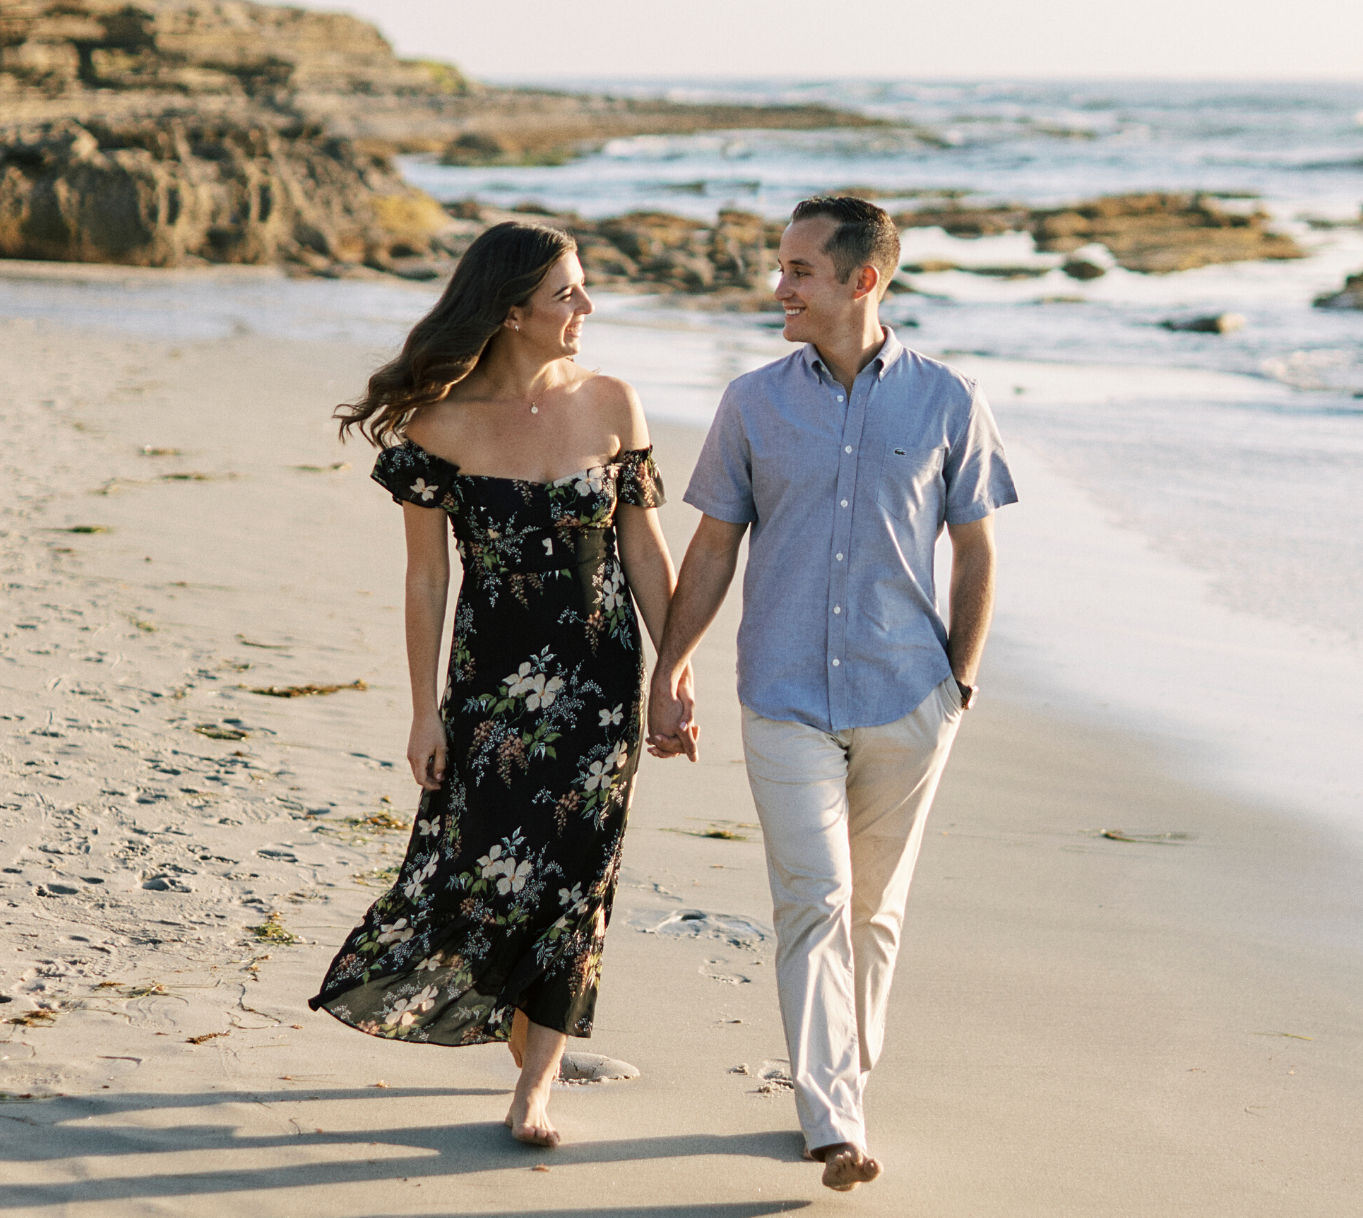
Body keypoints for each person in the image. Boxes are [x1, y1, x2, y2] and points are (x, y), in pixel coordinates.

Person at [646, 195, 1015, 1193]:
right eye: (780, 267)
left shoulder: (949, 399)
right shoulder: (752, 403)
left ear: (864, 280)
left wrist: (960, 680)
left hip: (909, 696)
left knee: (875, 913)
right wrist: (669, 666)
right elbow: (714, 546)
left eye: (800, 270)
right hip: (784, 694)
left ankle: (844, 1084)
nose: (780, 288)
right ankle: (834, 1123)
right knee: (814, 897)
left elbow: (977, 547)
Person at [310, 221, 676, 1149]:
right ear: (512, 312)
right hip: (491, 691)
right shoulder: (440, 425)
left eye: (583, 289)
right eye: (567, 294)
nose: (586, 308)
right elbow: (427, 578)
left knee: (581, 876)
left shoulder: (613, 403)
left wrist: (674, 675)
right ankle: (522, 1026)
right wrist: (424, 709)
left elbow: (643, 550)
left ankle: (536, 1087)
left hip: (600, 684)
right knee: (480, 868)